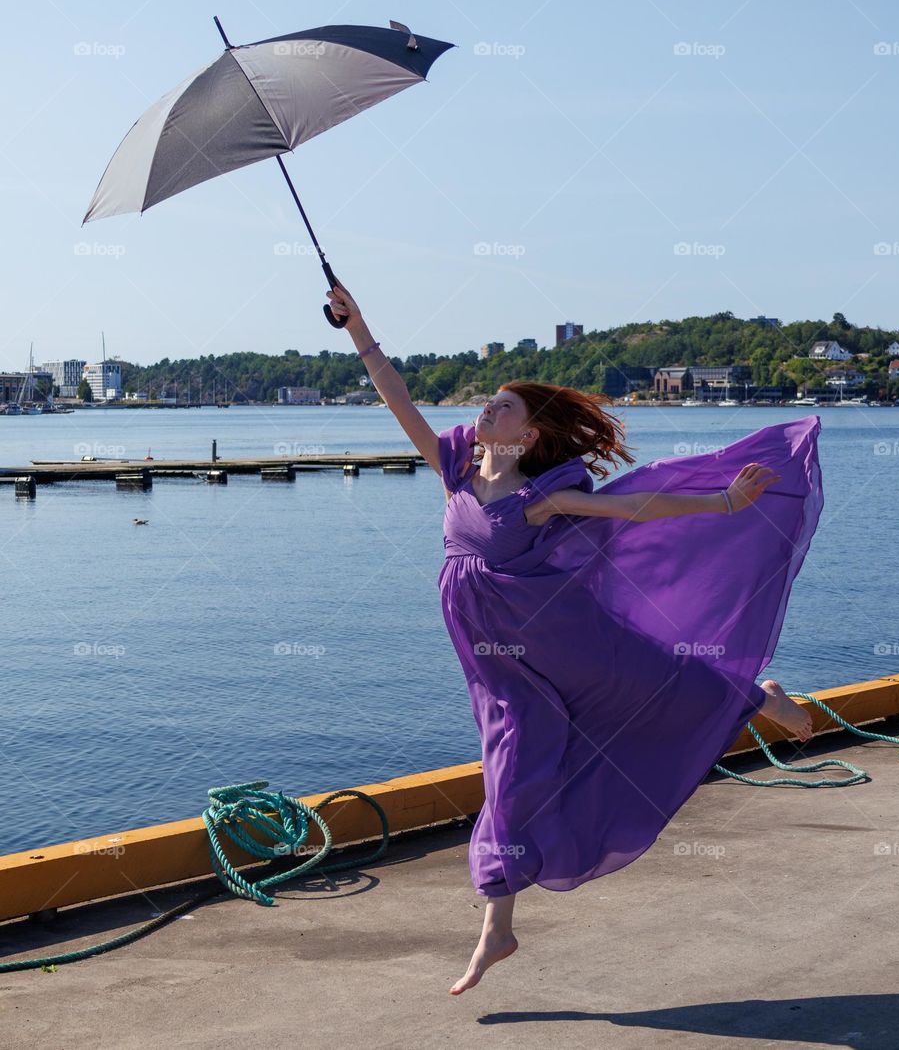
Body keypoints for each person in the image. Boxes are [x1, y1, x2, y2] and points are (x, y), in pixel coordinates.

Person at [326, 281, 822, 996]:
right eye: (489, 401)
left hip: (559, 635)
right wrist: (357, 323)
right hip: (496, 658)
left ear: (527, 435)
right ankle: (499, 924)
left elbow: (635, 506)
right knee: (512, 764)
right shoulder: (453, 470)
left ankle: (754, 694)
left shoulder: (539, 499)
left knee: (659, 680)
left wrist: (721, 500)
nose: (486, 408)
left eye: (503, 405)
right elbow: (394, 391)